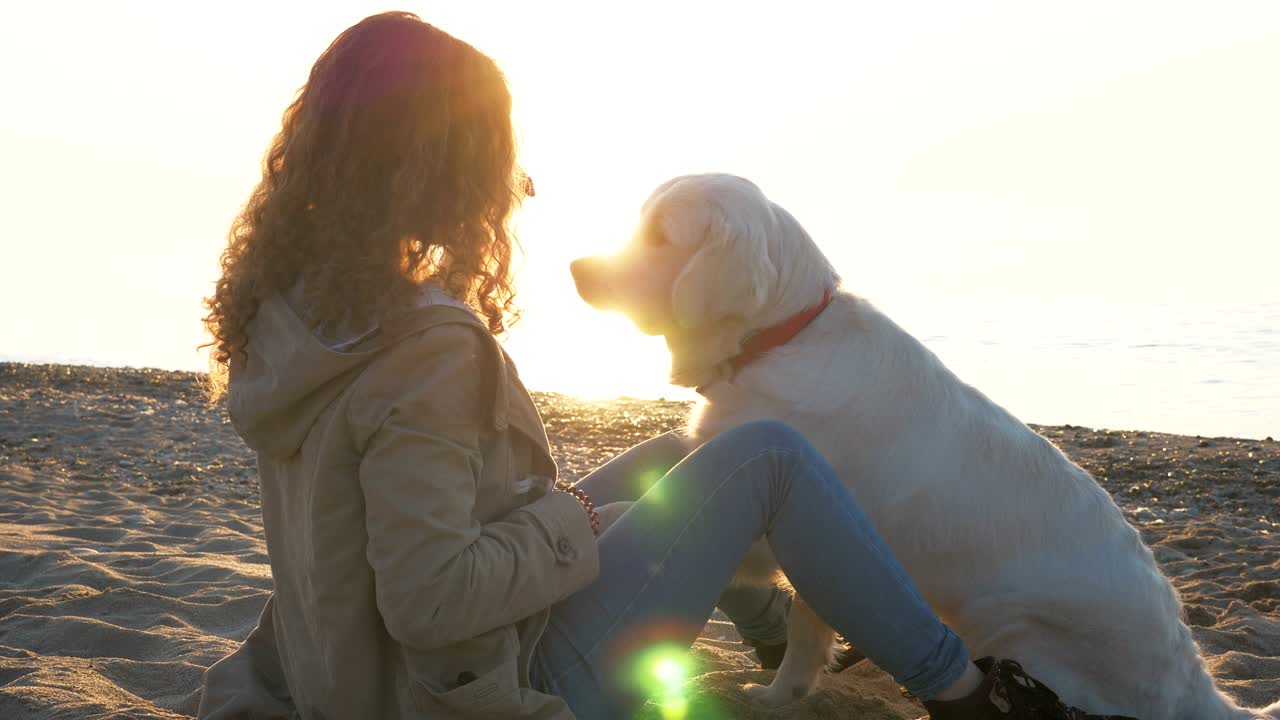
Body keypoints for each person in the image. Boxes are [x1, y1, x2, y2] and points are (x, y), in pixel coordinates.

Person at [196, 12, 1133, 720]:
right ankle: (965, 695)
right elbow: (432, 599)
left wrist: (555, 522)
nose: (508, 186)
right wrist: (567, 523)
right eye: (491, 157)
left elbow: (372, 541)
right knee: (769, 455)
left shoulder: (295, 313)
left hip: (353, 673)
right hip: (474, 688)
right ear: (444, 165)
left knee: (678, 460)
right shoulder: (428, 351)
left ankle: (777, 636)